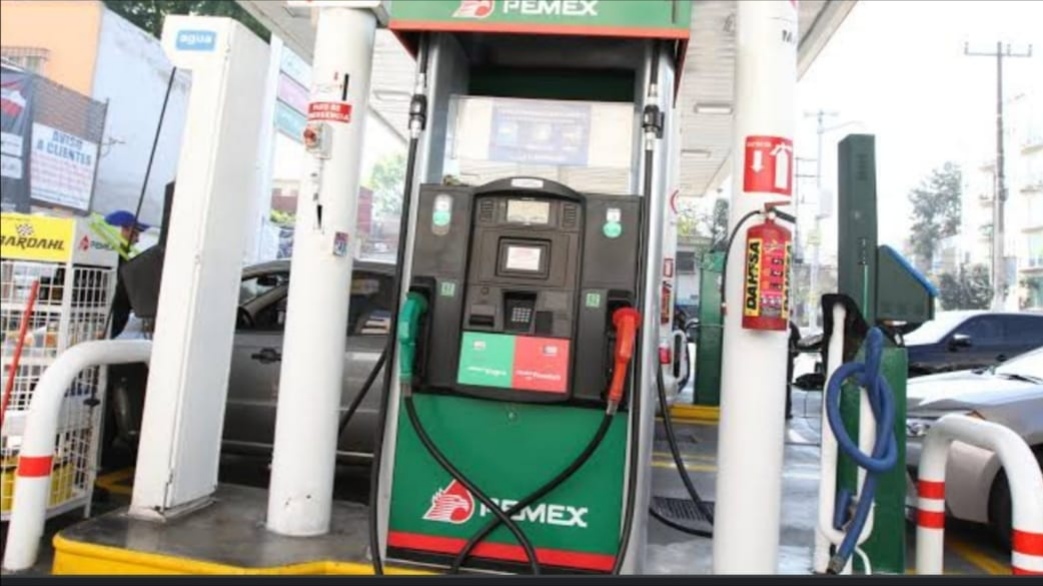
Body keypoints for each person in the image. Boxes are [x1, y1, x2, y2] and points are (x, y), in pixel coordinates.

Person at [102, 210, 148, 337]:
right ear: (122, 230)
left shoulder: (119, 257)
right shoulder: (113, 259)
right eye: (135, 234)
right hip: (110, 319)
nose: (137, 240)